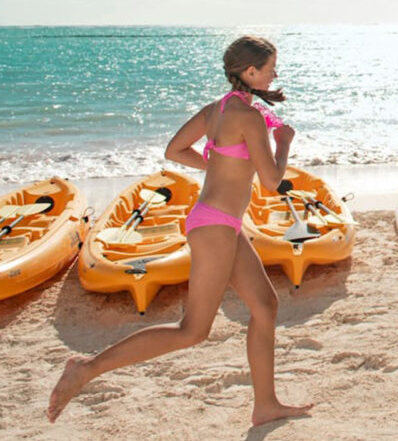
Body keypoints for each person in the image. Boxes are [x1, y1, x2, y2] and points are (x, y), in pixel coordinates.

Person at [48, 36, 313, 425]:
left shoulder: (217, 110)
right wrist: (284, 143)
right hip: (215, 228)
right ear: (251, 71)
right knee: (192, 330)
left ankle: (265, 405)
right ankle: (85, 369)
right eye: (271, 67)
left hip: (217, 222)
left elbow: (174, 150)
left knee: (265, 306)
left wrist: (219, 167)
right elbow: (272, 181)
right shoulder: (250, 117)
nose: (276, 73)